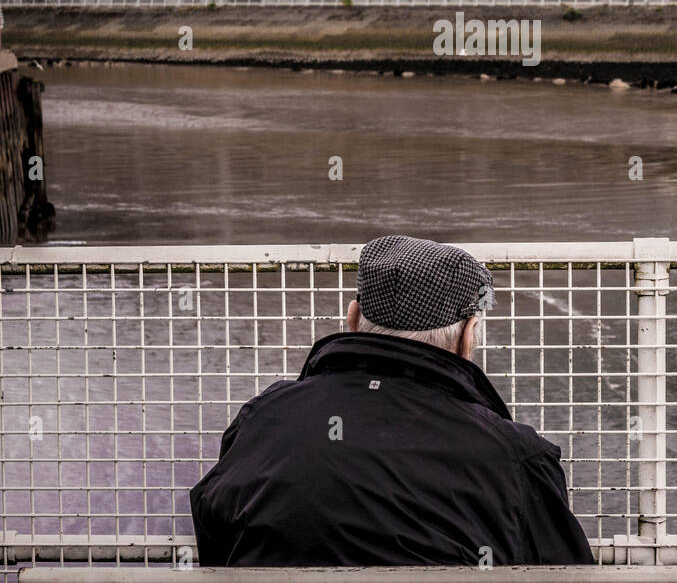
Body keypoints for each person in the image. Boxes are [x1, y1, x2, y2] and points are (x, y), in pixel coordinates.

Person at [190, 234, 593, 566]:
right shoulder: (515, 456)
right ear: (468, 336)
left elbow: (217, 542)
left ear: (353, 318)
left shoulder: (263, 420)